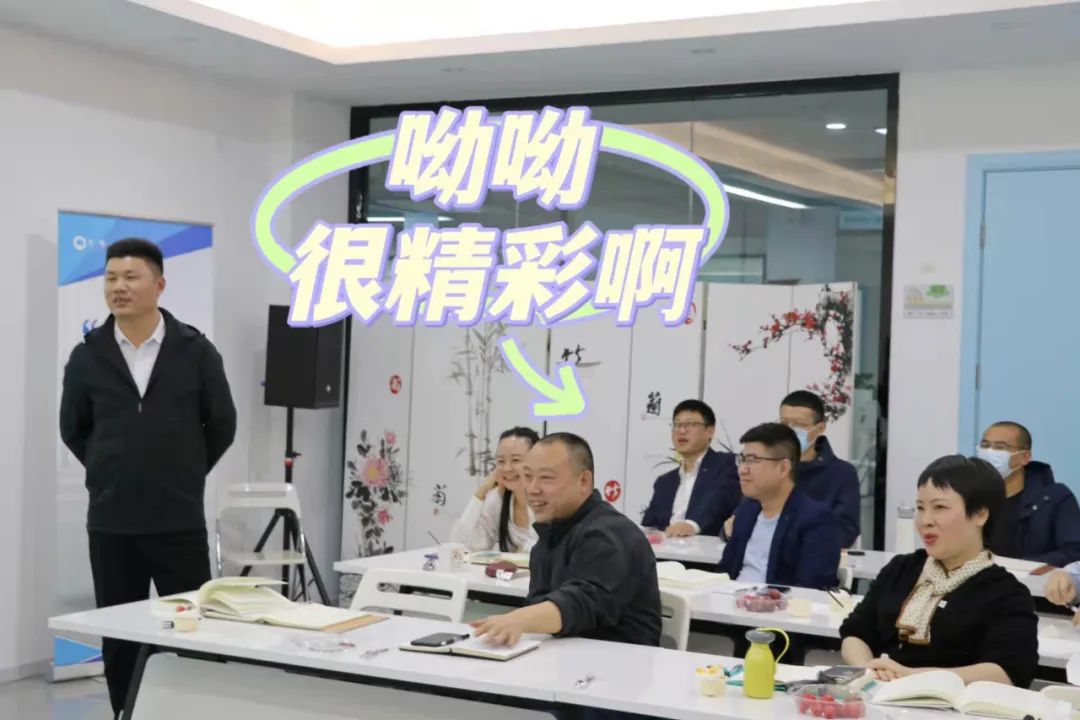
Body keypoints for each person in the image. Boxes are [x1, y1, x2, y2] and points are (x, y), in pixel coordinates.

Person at [59, 238, 237, 718]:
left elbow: (222, 424)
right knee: (119, 637)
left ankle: (198, 711)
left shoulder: (196, 352)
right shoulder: (87, 356)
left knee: (194, 630)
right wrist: (110, 469)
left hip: (177, 520)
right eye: (111, 278)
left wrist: (182, 471)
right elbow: (73, 428)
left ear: (159, 285)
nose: (119, 287)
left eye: (130, 277)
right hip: (112, 523)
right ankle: (127, 712)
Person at [839, 455, 1038, 688]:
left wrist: (912, 676)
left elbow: (1007, 671)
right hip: (880, 695)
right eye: (920, 508)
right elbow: (855, 633)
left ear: (980, 515)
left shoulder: (1007, 593)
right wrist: (867, 668)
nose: (925, 520)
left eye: (940, 508)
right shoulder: (901, 569)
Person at [470, 432, 661, 648]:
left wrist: (518, 619)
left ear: (583, 481)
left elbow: (580, 603)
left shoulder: (609, 534)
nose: (532, 489)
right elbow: (541, 605)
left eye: (546, 478)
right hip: (564, 656)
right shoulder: (549, 536)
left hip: (620, 661)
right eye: (527, 476)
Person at [718, 423, 841, 590]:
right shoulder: (746, 512)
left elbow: (811, 587)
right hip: (732, 600)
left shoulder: (816, 519)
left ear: (783, 468)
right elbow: (725, 571)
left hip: (778, 603)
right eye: (742, 460)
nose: (742, 470)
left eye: (752, 460)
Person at [977, 421, 1080, 566]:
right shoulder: (970, 495)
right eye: (985, 446)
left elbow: (1074, 551)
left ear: (1025, 457)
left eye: (1000, 447)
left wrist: (1020, 566)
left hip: (1032, 578)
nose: (989, 453)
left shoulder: (1054, 498)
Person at [640, 399, 740, 537]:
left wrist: (692, 525)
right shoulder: (664, 482)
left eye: (690, 425)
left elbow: (717, 499)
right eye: (677, 424)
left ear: (710, 431)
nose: (681, 431)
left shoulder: (727, 465)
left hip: (706, 549)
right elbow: (649, 527)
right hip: (666, 548)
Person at [779, 390, 861, 548]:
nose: (790, 431)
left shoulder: (842, 474)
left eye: (799, 425)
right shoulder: (768, 466)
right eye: (784, 424)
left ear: (820, 428)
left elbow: (845, 531)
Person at [449, 426, 540, 552]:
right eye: (501, 461)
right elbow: (460, 543)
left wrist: (521, 552)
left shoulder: (551, 502)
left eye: (515, 460)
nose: (507, 468)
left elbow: (550, 549)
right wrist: (481, 493)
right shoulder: (499, 499)